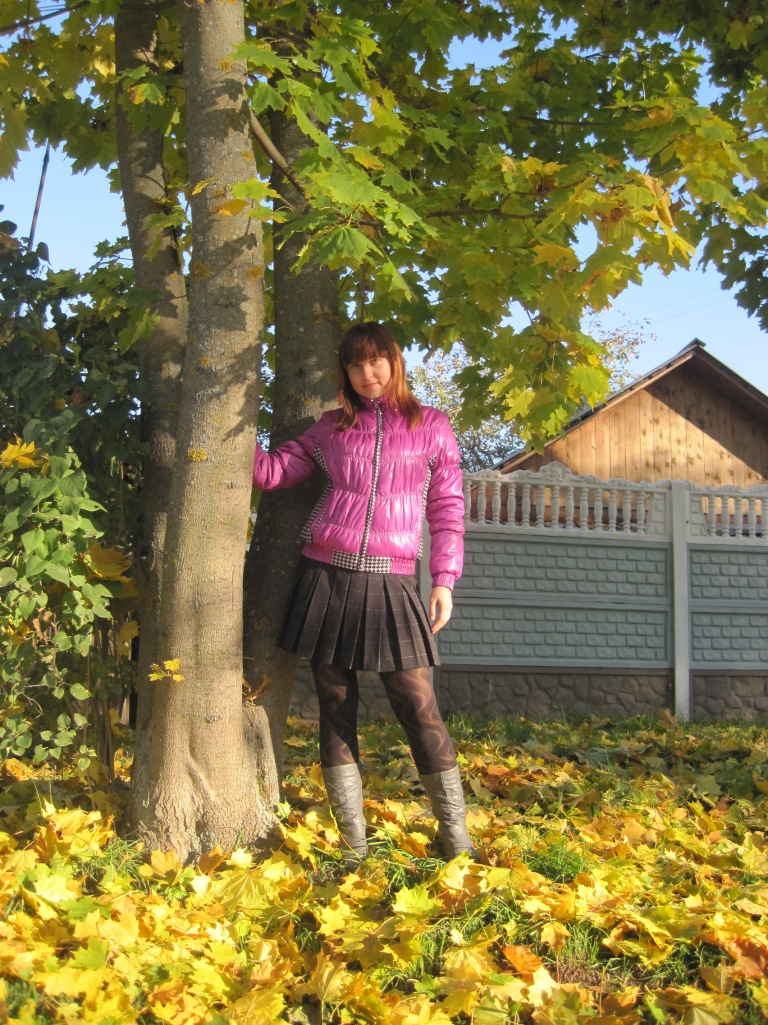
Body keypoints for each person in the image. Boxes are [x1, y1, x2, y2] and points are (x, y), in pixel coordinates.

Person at [252, 322, 473, 862]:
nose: (367, 373)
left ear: (394, 362)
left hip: (393, 581)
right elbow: (273, 473)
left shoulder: (432, 425)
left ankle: (458, 843)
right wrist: (230, 432)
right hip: (325, 578)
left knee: (418, 706)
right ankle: (355, 847)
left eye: (375, 361)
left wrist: (444, 580)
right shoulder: (331, 428)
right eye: (355, 365)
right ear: (345, 373)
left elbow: (447, 508)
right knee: (335, 707)